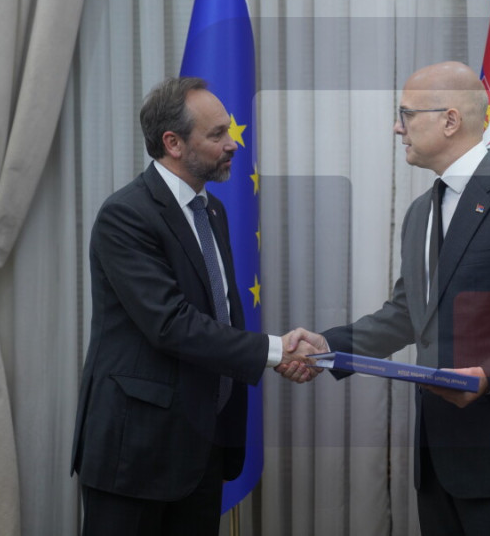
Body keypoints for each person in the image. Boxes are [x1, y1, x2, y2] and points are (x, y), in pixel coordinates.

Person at [281, 61, 490, 535]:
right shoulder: (420, 212)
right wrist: (329, 347)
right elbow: (408, 313)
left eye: (406, 114)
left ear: (450, 120)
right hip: (439, 462)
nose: (397, 127)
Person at [71, 77, 318, 536]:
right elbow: (170, 324)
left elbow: (218, 311)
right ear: (173, 143)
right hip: (137, 453)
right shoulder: (126, 215)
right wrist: (275, 350)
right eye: (217, 134)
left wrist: (272, 353)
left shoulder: (211, 210)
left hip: (202, 445)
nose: (233, 144)